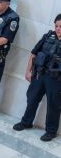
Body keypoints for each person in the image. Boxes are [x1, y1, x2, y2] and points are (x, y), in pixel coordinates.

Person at [13, 14, 61, 142]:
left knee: (54, 105)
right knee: (32, 98)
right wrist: (28, 71)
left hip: (56, 81)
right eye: (56, 26)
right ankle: (26, 122)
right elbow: (33, 53)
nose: (58, 29)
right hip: (40, 75)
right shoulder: (47, 37)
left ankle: (51, 131)